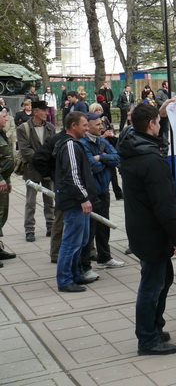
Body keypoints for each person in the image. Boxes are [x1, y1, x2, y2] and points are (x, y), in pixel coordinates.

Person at [119, 103, 176, 355]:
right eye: (158, 121)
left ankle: (155, 327)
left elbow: (145, 132)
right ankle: (147, 339)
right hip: (152, 232)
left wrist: (162, 114)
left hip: (141, 228)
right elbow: (164, 205)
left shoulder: (131, 146)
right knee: (152, 286)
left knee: (163, 280)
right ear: (150, 125)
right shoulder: (151, 160)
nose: (160, 125)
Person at [53, 112, 98, 293]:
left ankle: (75, 274)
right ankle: (64, 279)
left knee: (81, 239)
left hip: (77, 201)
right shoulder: (70, 145)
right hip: (74, 202)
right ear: (73, 126)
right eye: (84, 125)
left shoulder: (73, 144)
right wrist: (83, 198)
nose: (87, 129)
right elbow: (72, 175)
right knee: (71, 241)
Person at [81, 113, 124, 269]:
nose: (101, 127)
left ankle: (105, 257)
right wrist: (104, 159)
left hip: (104, 190)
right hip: (91, 193)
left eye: (102, 124)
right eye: (98, 124)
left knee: (104, 227)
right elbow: (92, 166)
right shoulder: (82, 143)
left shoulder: (102, 141)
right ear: (88, 126)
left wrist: (100, 157)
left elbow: (117, 158)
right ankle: (84, 265)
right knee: (89, 230)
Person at [17, 100, 56, 242]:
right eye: (43, 110)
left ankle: (51, 226)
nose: (47, 113)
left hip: (47, 169)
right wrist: (42, 159)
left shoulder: (51, 128)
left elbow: (54, 148)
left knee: (49, 199)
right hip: (32, 169)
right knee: (30, 202)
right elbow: (25, 150)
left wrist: (47, 161)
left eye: (47, 110)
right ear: (35, 112)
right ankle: (29, 229)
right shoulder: (23, 128)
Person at [0, 107, 16, 266]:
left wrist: (8, 179)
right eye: (3, 117)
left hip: (3, 181)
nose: (6, 119)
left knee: (2, 215)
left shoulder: (1, 133)